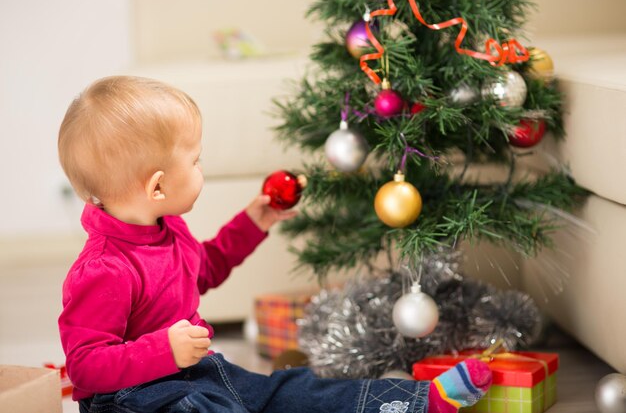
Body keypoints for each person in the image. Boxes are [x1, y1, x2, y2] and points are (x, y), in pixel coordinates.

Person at [57, 76, 492, 413]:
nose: (200, 166)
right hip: (135, 398)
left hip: (195, 373)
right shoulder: (103, 269)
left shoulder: (167, 228)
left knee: (286, 389)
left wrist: (253, 223)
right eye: (195, 160)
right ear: (156, 188)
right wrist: (163, 350)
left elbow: (202, 269)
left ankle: (417, 401)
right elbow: (85, 366)